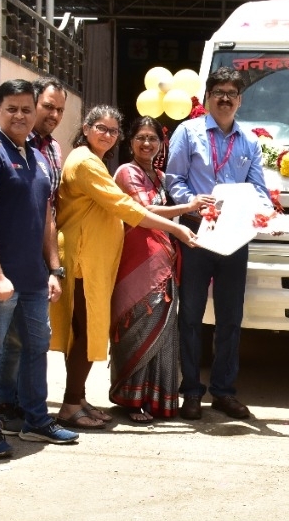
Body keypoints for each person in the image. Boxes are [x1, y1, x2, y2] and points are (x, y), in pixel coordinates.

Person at [52, 108, 197, 428]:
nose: (107, 135)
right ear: (86, 129)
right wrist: (176, 225)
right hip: (81, 259)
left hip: (93, 260)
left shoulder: (93, 161)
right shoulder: (88, 163)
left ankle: (77, 398)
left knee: (86, 334)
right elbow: (127, 208)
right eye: (101, 128)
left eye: (113, 131)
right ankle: (70, 406)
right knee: (87, 334)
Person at [0, 79, 77, 457]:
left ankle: (36, 421)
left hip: (33, 278)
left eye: (27, 109)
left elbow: (46, 219)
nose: (20, 115)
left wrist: (53, 270)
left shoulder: (40, 157)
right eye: (11, 108)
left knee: (37, 347)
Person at [165, 67, 273, 421]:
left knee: (230, 318)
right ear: (208, 97)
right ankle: (192, 392)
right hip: (197, 234)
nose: (225, 98)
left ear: (240, 100)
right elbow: (174, 178)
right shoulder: (189, 132)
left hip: (235, 236)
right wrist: (195, 201)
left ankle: (224, 392)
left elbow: (258, 187)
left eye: (232, 93)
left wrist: (264, 211)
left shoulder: (249, 141)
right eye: (219, 92)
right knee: (192, 316)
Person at [110, 116, 207, 423]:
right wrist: (186, 209)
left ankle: (158, 399)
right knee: (139, 325)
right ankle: (131, 399)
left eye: (153, 138)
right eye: (141, 138)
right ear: (130, 142)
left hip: (164, 260)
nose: (147, 143)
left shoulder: (162, 177)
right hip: (136, 262)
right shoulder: (127, 172)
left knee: (164, 333)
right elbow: (143, 211)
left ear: (161, 144)